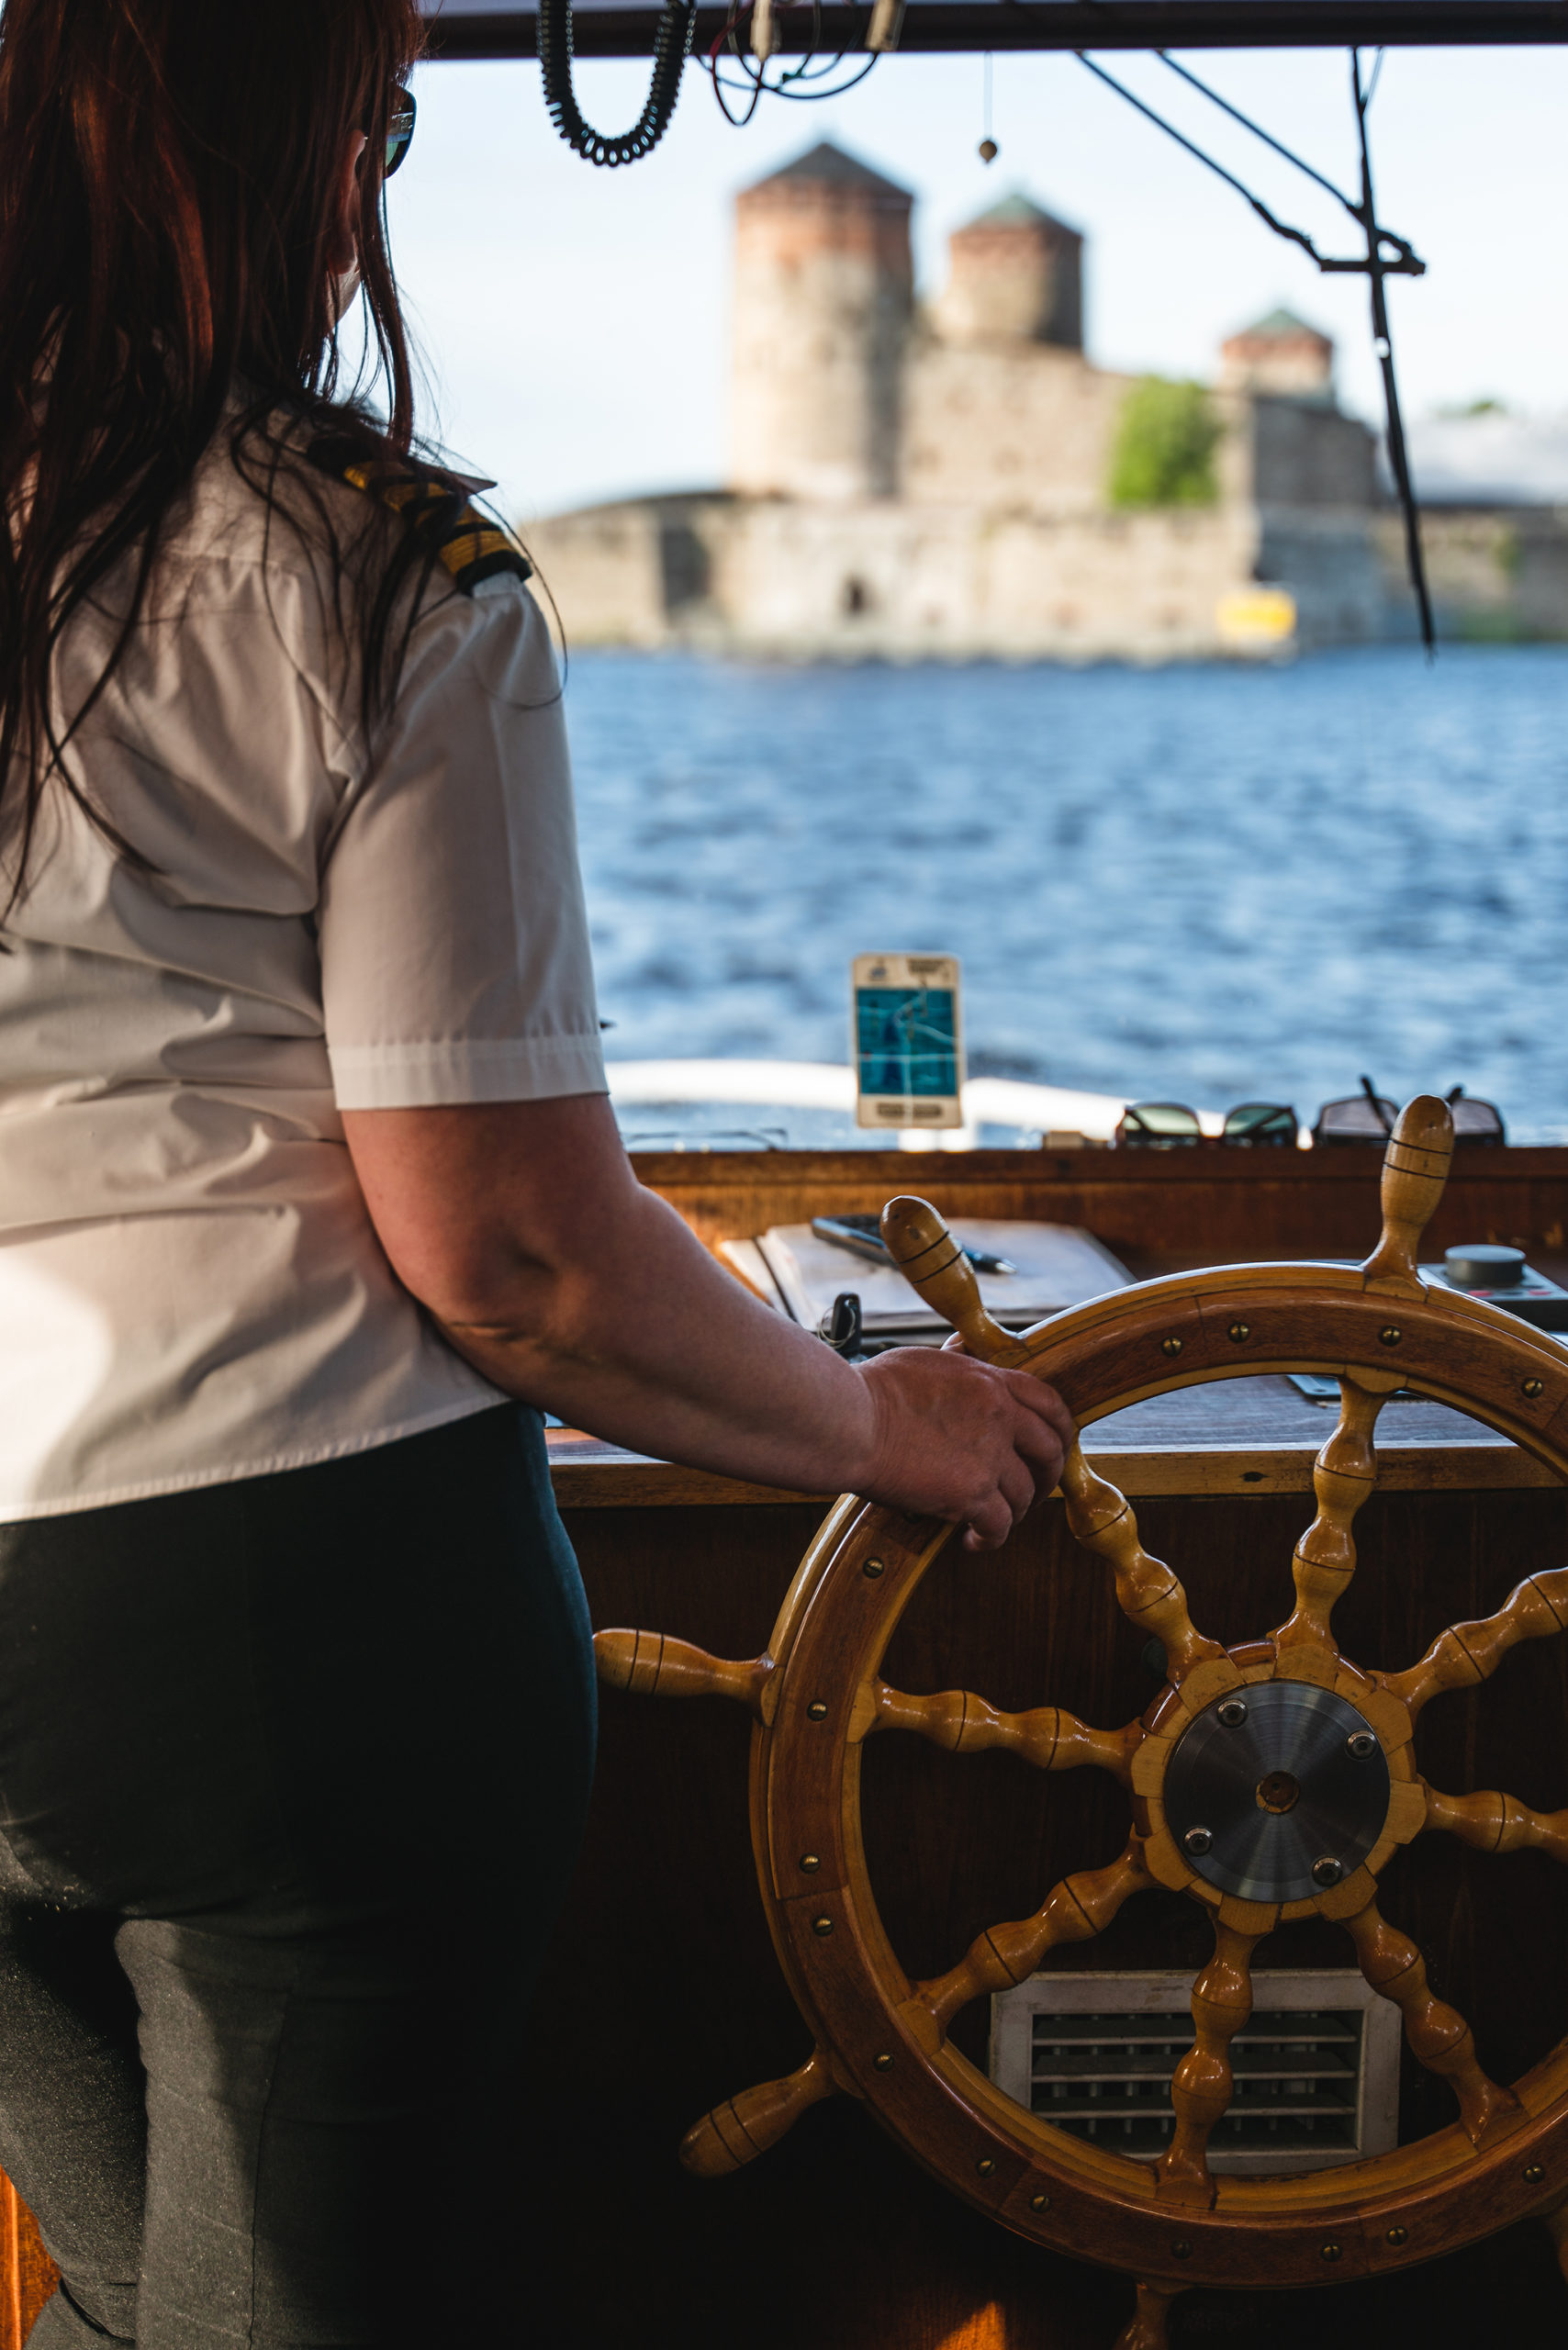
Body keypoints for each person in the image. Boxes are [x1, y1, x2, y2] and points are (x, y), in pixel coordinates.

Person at [0, 4, 1073, 2343]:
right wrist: (885, 1427)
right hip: (277, 1608)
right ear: (264, 148)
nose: (375, 195)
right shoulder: (377, 569)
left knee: (116, 2294)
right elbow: (510, 1248)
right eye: (374, 129)